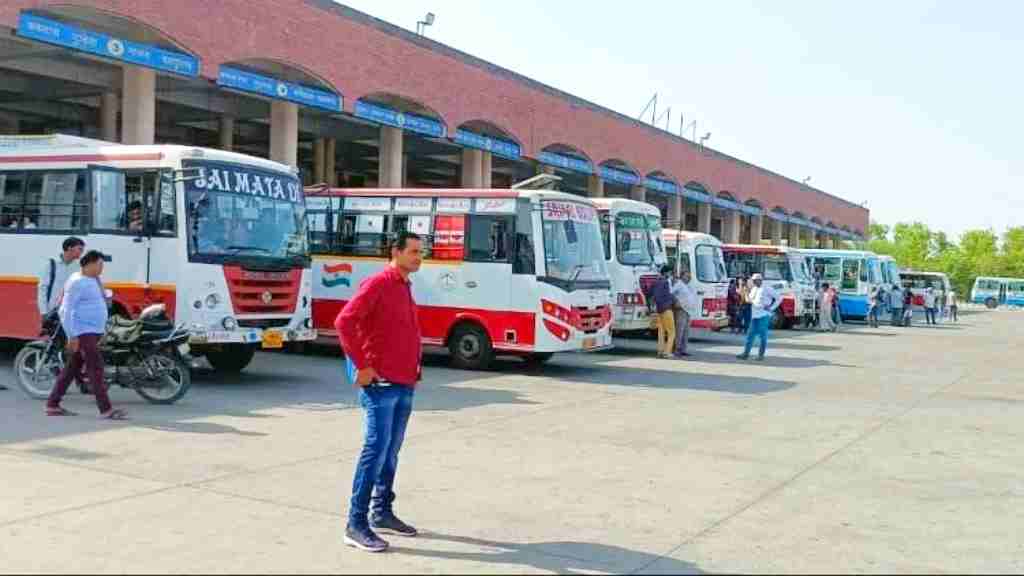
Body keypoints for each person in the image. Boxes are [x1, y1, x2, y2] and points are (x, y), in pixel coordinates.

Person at [336, 232, 424, 553]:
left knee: (390, 452)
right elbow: (344, 322)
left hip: (404, 384)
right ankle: (355, 524)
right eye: (413, 251)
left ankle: (381, 511)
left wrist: (414, 369)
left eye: (420, 252)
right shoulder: (378, 283)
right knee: (375, 451)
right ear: (396, 252)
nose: (418, 257)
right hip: (381, 385)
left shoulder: (404, 286)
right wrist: (361, 366)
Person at [45, 250, 126, 420]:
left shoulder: (93, 279)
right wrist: (72, 336)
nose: (102, 268)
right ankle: (106, 409)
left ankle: (52, 404)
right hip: (82, 332)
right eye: (99, 265)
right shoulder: (77, 282)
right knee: (96, 369)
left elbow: (100, 303)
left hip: (93, 331)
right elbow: (65, 310)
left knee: (70, 369)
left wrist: (102, 330)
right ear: (89, 264)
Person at [38, 237, 85, 320]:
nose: (82, 252)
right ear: (70, 248)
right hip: (52, 312)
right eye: (80, 249)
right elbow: (42, 288)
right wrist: (43, 312)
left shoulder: (80, 267)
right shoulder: (51, 264)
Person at [737, 273, 780, 361]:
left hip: (764, 315)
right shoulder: (754, 289)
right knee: (750, 335)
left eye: (754, 281)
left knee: (762, 336)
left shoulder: (767, 288)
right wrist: (745, 292)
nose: (753, 282)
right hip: (754, 316)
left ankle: (761, 355)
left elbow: (779, 298)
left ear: (759, 280)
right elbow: (749, 301)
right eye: (752, 281)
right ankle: (746, 354)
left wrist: (771, 308)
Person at [644, 265, 676, 359]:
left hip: (658, 310)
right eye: (670, 272)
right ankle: (667, 352)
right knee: (672, 332)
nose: (671, 275)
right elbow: (667, 295)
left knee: (661, 331)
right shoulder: (665, 282)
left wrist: (650, 306)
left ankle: (660, 350)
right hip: (666, 309)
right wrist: (672, 299)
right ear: (666, 273)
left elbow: (648, 294)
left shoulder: (655, 282)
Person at [670, 270, 697, 358]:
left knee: (686, 331)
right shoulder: (679, 284)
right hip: (681, 310)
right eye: (686, 276)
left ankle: (683, 349)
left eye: (689, 276)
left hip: (689, 311)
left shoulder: (688, 285)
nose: (688, 277)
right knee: (679, 330)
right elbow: (671, 293)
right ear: (682, 276)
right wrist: (676, 301)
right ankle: (676, 349)